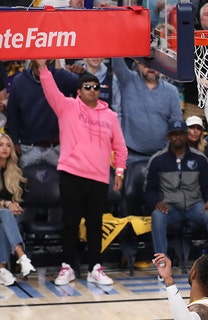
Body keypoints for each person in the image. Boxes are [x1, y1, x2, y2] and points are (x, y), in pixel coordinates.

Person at [34, 59, 128, 286]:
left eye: (96, 87)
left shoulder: (110, 116)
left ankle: (95, 267)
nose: (93, 90)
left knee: (95, 224)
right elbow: (50, 90)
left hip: (98, 177)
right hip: (71, 174)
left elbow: (120, 147)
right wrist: (43, 68)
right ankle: (67, 267)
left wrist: (120, 171)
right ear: (78, 91)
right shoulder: (67, 107)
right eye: (88, 87)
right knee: (70, 223)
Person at [146, 120, 208, 279]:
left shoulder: (199, 158)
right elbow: (149, 189)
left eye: (180, 133)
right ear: (168, 136)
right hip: (170, 206)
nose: (177, 137)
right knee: (157, 216)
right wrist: (156, 202)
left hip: (195, 205)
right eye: (174, 134)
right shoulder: (158, 160)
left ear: (186, 135)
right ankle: (163, 266)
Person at [6, 60, 78, 167]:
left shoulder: (62, 76)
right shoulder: (19, 81)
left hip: (58, 148)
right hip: (28, 148)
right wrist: (14, 142)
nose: (41, 59)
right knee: (27, 183)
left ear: (52, 58)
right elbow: (13, 115)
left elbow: (87, 87)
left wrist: (83, 73)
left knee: (59, 184)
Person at [112, 57, 182, 167]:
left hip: (161, 157)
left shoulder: (172, 92)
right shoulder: (127, 80)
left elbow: (177, 127)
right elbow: (117, 61)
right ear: (138, 65)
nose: (150, 68)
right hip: (129, 156)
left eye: (155, 64)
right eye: (145, 64)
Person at [0, 133, 36, 286]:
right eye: (1, 145)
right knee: (5, 213)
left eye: (8, 145)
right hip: (7, 213)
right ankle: (22, 257)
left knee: (4, 219)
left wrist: (15, 206)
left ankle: (2, 270)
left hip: (12, 217)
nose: (5, 148)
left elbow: (21, 199)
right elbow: (8, 204)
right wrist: (7, 204)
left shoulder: (17, 171)